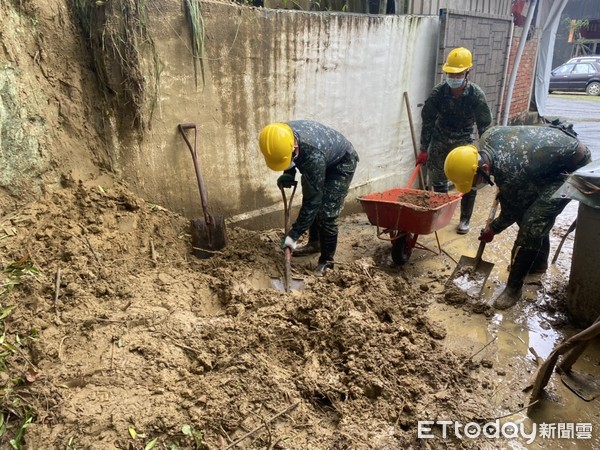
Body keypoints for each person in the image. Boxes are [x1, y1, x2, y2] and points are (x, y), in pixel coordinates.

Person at [444, 125, 592, 310]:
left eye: (476, 181)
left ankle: (514, 289)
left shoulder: (512, 170)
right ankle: (537, 265)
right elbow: (514, 190)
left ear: (484, 167)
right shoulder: (487, 139)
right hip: (543, 162)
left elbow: (512, 210)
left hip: (571, 167)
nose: (478, 186)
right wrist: (507, 189)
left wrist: (493, 228)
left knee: (533, 221)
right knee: (531, 213)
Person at [258, 120, 359, 276]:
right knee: (312, 196)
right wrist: (288, 173)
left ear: (294, 147)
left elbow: (313, 203)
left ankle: (327, 261)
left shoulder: (313, 158)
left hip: (341, 163)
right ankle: (314, 243)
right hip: (319, 156)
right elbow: (288, 156)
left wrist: (294, 234)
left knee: (326, 212)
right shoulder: (280, 135)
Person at [416, 47, 493, 235]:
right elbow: (428, 121)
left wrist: (486, 154)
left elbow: (484, 125)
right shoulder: (439, 93)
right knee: (438, 179)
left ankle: (465, 219)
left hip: (464, 141)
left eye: (457, 73)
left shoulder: (476, 95)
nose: (453, 76)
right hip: (440, 138)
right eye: (450, 73)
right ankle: (442, 215)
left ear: (467, 73)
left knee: (469, 179)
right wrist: (424, 149)